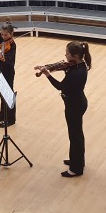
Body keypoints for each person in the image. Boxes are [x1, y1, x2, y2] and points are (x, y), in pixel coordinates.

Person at [38, 40, 92, 178]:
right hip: (76, 102)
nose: (65, 56)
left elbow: (60, 86)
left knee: (75, 136)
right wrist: (47, 66)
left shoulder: (77, 73)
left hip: (74, 106)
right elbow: (63, 66)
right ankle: (76, 160)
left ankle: (76, 169)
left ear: (75, 56)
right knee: (75, 135)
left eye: (67, 54)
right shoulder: (79, 64)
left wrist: (47, 74)